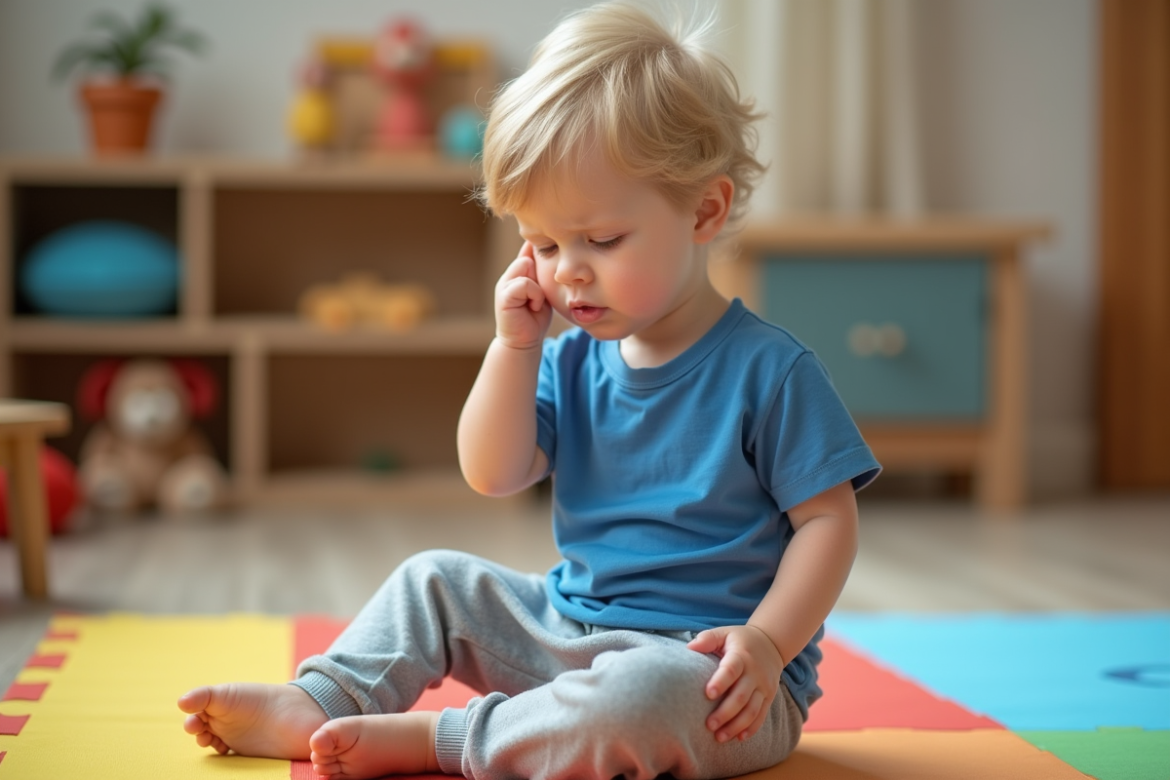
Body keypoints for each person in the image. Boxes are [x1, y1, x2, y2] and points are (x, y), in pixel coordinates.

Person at [177, 3, 881, 779]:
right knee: (434, 579)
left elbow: (828, 523)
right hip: (568, 632)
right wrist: (514, 348)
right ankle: (321, 697)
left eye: (601, 240)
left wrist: (769, 642)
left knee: (639, 697)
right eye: (543, 243)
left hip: (717, 680)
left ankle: (445, 740)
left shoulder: (770, 370)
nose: (567, 269)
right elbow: (493, 472)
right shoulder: (569, 358)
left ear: (703, 210)